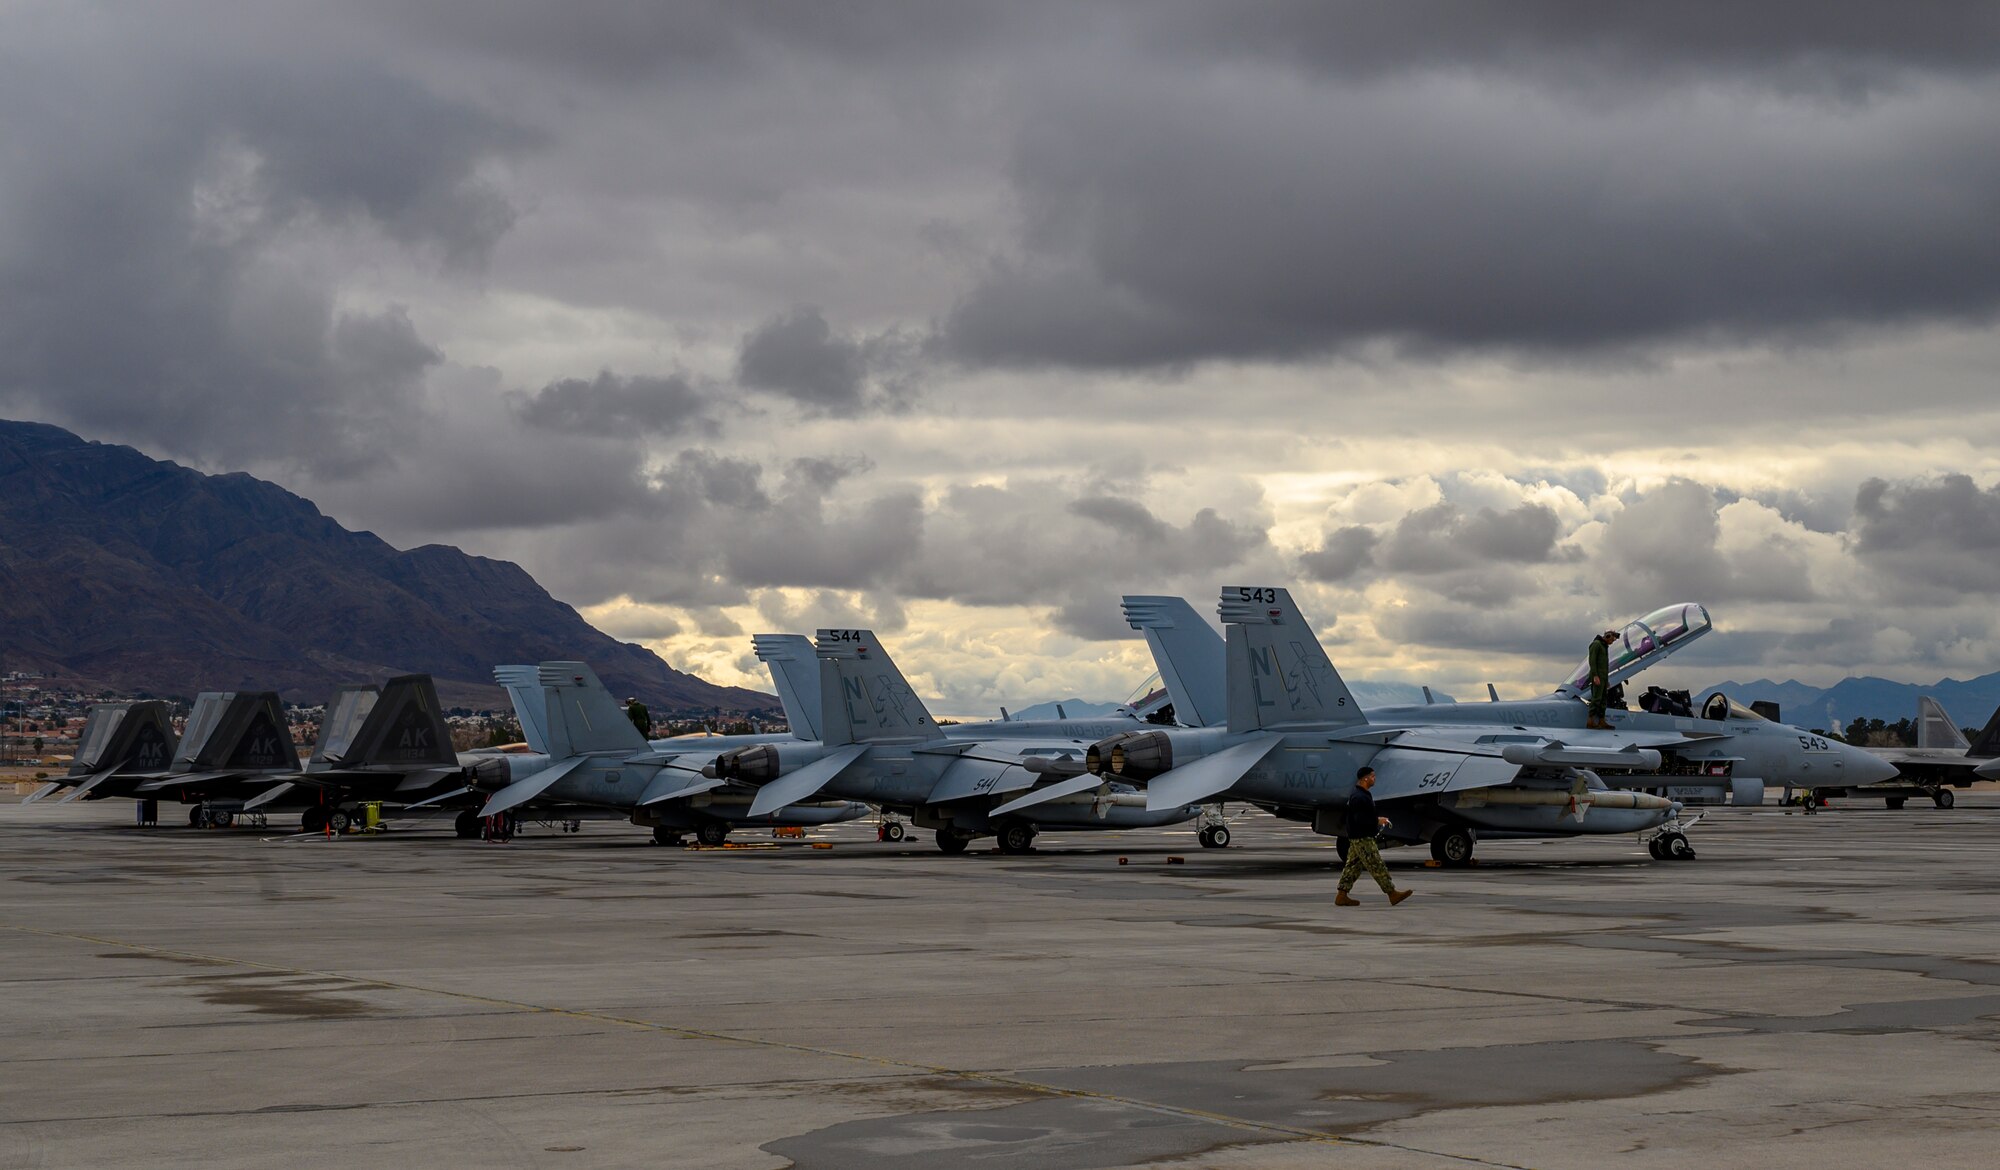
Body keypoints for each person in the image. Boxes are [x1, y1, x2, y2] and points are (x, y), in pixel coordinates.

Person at [1335, 766, 1413, 907]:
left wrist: (1376, 818)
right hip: (1363, 838)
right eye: (1372, 776)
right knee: (1377, 865)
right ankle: (1392, 894)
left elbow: (1363, 816)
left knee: (1352, 867)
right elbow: (1360, 820)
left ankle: (1342, 895)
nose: (1374, 778)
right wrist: (1377, 821)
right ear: (1365, 778)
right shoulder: (1359, 797)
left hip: (1357, 837)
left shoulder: (1362, 794)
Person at [1586, 629, 1618, 730]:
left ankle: (1601, 721)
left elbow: (1604, 665)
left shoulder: (1604, 647)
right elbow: (1592, 661)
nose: (1611, 642)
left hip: (1603, 677)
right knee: (1596, 698)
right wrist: (1595, 676)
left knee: (1603, 699)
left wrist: (1606, 680)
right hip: (1597, 676)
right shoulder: (1596, 644)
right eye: (1611, 640)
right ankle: (1590, 721)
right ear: (1607, 636)